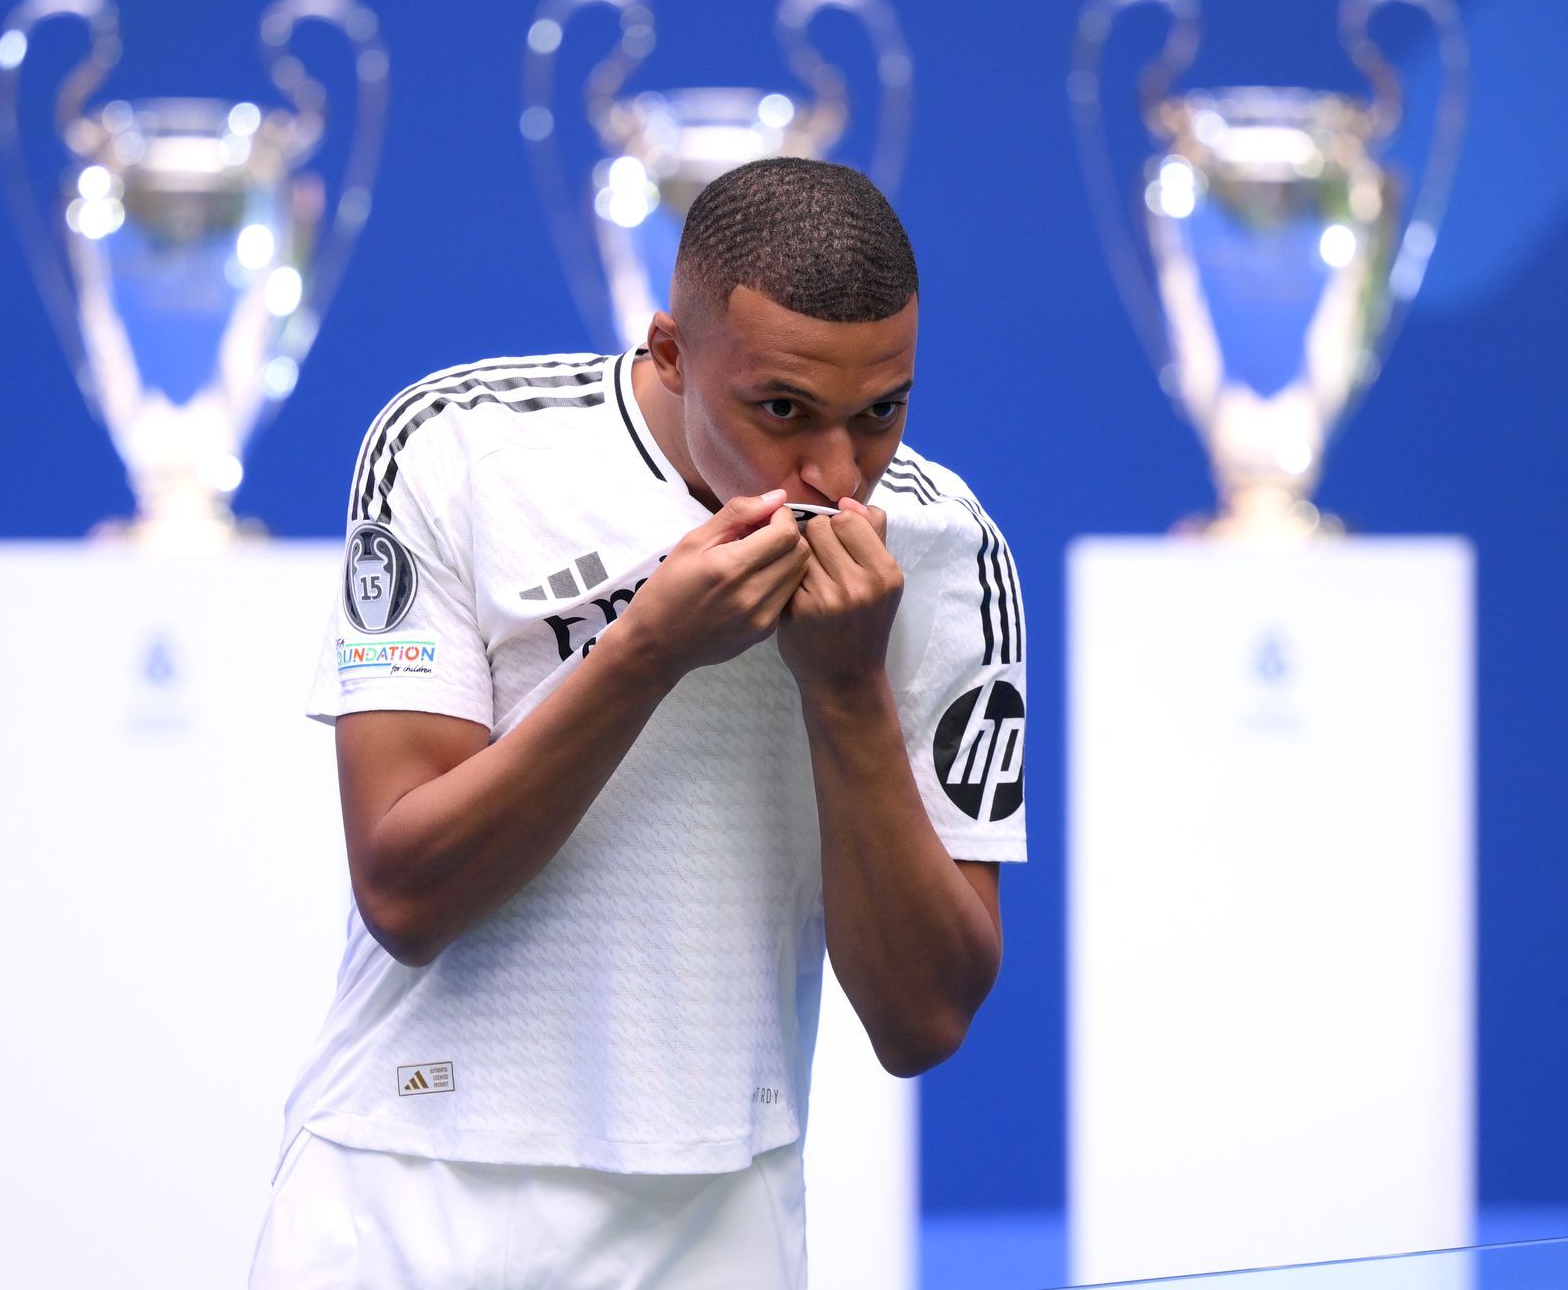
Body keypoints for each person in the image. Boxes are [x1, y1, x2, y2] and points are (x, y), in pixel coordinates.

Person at [248, 158, 1027, 1288]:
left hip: (720, 1210)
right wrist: (647, 652)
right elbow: (405, 895)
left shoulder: (948, 546)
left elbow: (925, 1023)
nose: (834, 474)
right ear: (669, 351)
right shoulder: (457, 444)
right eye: (781, 411)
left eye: (880, 414)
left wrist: (847, 689)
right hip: (405, 1184)